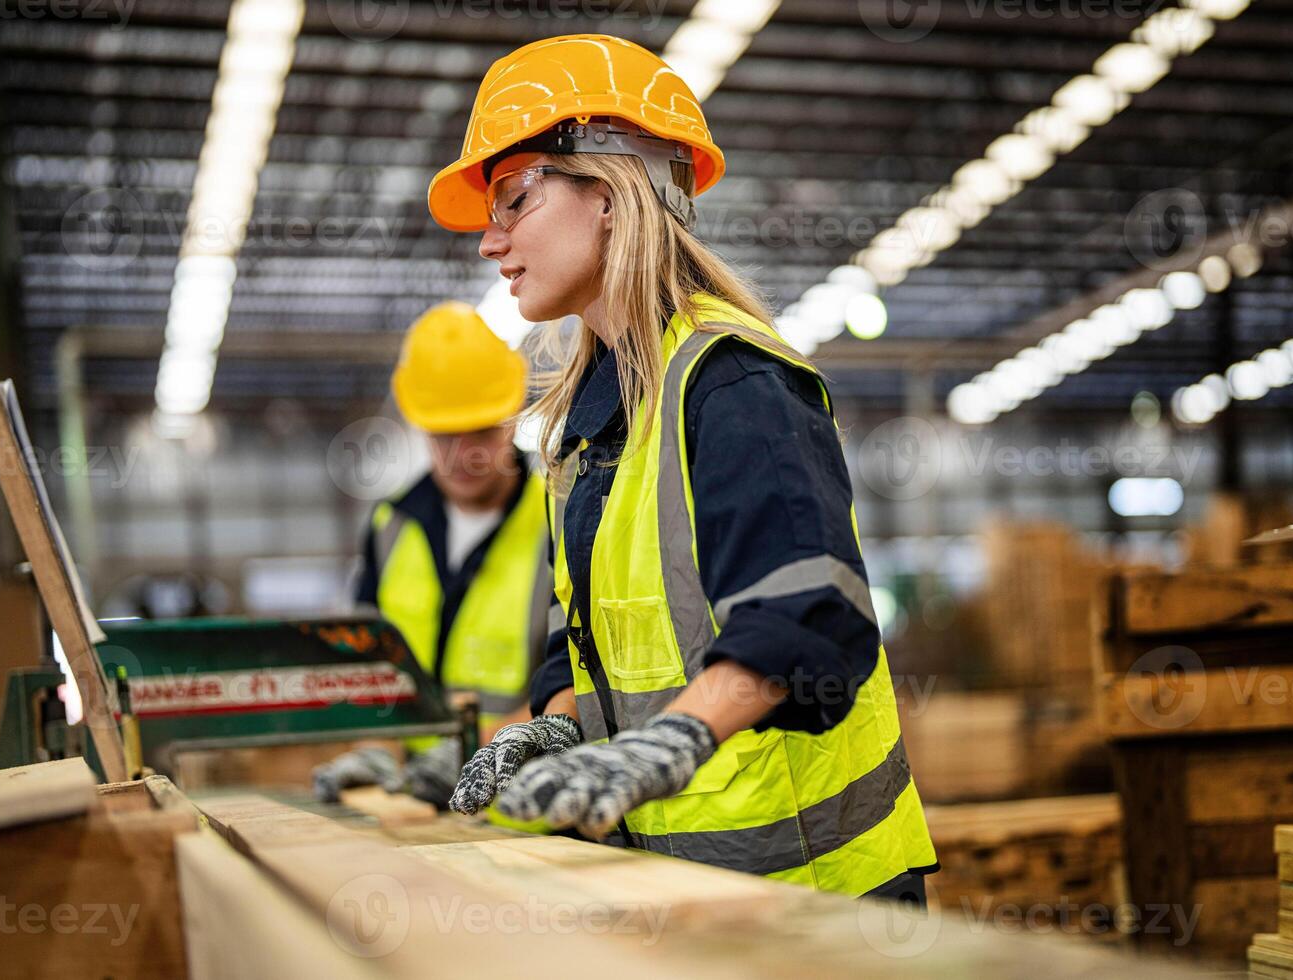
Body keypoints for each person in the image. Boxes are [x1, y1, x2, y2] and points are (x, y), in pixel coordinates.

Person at [436, 34, 938, 903]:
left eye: (513, 198)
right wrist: (550, 733)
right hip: (690, 893)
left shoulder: (734, 384)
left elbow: (810, 617)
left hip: (822, 896)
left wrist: (667, 744)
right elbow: (583, 646)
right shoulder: (585, 428)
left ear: (610, 192)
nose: (491, 241)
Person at [312, 303, 550, 806]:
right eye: (445, 435)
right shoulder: (389, 526)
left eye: (482, 430)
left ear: (511, 420)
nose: (464, 454)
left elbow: (580, 677)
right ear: (421, 427)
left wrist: (483, 751)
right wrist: (379, 751)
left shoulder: (560, 517)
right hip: (414, 801)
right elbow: (367, 662)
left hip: (526, 805)